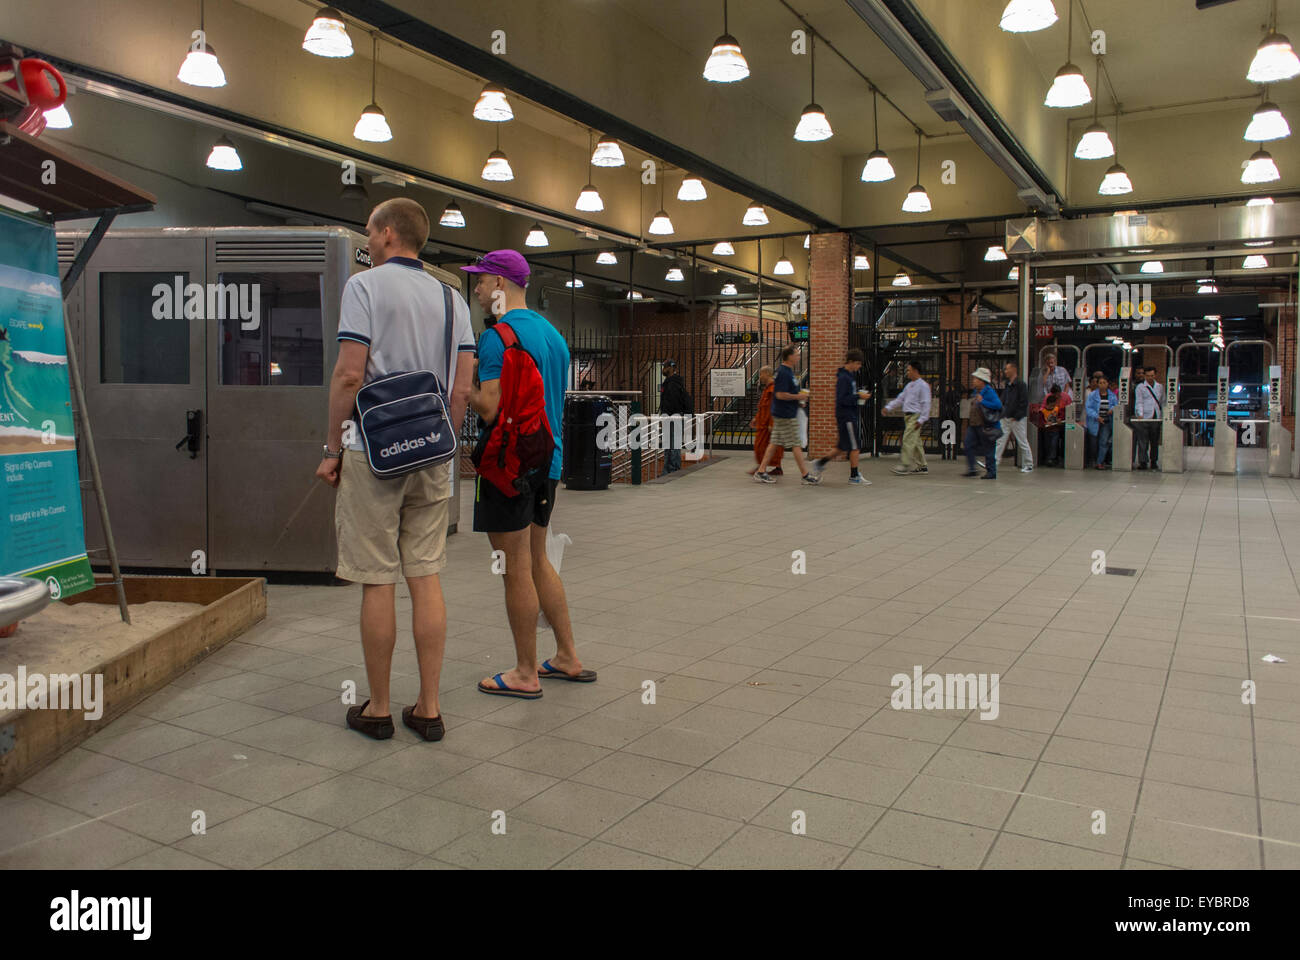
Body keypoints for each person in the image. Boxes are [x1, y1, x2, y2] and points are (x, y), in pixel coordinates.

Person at [316, 198, 476, 742]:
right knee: (424, 574)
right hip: (432, 450)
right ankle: (428, 708)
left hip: (373, 450)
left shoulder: (363, 287)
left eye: (369, 231)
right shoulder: (454, 300)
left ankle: (379, 707)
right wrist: (445, 446)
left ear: (387, 234)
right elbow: (460, 388)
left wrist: (333, 446)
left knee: (376, 577)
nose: (367, 240)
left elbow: (348, 375)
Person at [464, 250, 595, 699]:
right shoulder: (553, 336)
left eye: (480, 281)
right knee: (537, 559)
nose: (477, 289)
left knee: (513, 567)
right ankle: (567, 656)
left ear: (500, 284)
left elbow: (491, 406)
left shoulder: (497, 336)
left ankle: (524, 671)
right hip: (548, 463)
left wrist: (462, 388)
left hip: (508, 467)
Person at [753, 345, 819, 484]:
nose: (798, 357)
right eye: (796, 354)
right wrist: (798, 397)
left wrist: (799, 400)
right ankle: (805, 475)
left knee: (774, 443)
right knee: (796, 444)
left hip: (784, 413)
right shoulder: (783, 372)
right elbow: (780, 394)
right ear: (789, 356)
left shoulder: (787, 371)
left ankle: (761, 471)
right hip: (785, 415)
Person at [810, 349, 872, 484]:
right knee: (855, 446)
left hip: (846, 415)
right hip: (847, 416)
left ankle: (820, 463)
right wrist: (858, 396)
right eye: (858, 364)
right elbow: (842, 399)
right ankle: (854, 476)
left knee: (842, 446)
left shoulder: (849, 376)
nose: (859, 367)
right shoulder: (844, 378)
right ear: (850, 362)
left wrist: (857, 396)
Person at [883, 360, 932, 475]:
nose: (907, 372)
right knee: (915, 442)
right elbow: (900, 399)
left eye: (909, 370)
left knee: (907, 439)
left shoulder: (923, 386)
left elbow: (926, 403)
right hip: (908, 417)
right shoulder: (909, 386)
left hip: (916, 416)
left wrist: (921, 419)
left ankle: (904, 465)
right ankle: (922, 465)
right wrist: (889, 407)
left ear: (915, 371)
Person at [994, 360, 1033, 474]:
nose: (1005, 371)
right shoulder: (1009, 384)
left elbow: (1024, 402)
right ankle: (994, 462)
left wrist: (1017, 416)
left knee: (1022, 441)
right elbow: (1005, 400)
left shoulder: (1020, 385)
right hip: (1007, 417)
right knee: (1000, 440)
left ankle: (1029, 464)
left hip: (1017, 418)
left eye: (1007, 369)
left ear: (1013, 370)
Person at [963, 367, 1002, 479]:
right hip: (974, 424)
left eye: (975, 379)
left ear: (981, 380)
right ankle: (972, 468)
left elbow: (998, 405)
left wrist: (983, 401)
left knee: (989, 449)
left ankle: (991, 472)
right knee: (968, 444)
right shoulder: (976, 391)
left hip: (985, 425)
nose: (973, 380)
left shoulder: (989, 392)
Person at [659, 359, 693, 473]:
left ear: (671, 368)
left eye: (665, 366)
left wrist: (666, 415)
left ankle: (673, 469)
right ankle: (668, 469)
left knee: (673, 444)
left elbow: (672, 402)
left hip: (674, 416)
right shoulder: (670, 382)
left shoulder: (672, 383)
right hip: (671, 416)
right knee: (670, 444)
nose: (663, 369)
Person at [750, 365, 785, 475]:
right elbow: (763, 406)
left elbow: (775, 407)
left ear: (767, 374)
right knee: (762, 446)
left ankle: (765, 468)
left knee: (770, 447)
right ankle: (765, 467)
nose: (760, 376)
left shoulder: (773, 389)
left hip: (769, 424)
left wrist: (772, 423)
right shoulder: (767, 388)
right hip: (762, 423)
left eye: (761, 374)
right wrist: (756, 418)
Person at [1133, 365, 1164, 470]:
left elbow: (1162, 401)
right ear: (1145, 376)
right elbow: (1139, 401)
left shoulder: (1160, 386)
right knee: (1143, 440)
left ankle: (1154, 461)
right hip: (1145, 416)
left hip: (1156, 416)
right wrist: (1140, 414)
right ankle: (1143, 461)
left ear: (1155, 375)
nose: (1150, 377)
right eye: (1148, 375)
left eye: (1152, 375)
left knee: (1154, 441)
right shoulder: (1140, 387)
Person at [1087, 374, 1119, 470]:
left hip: (1106, 422)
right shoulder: (1092, 395)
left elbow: (1116, 405)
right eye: (1100, 383)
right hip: (1095, 422)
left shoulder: (1112, 395)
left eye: (1104, 383)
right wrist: (1097, 417)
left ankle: (1100, 462)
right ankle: (1092, 460)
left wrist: (1112, 409)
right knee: (1093, 443)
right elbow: (1089, 408)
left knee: (1103, 442)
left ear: (1107, 384)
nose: (1102, 385)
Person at [1039, 384, 1068, 467]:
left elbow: (1060, 416)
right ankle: (1048, 458)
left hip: (1055, 430)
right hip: (1047, 430)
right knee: (1047, 444)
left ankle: (1052, 458)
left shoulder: (1057, 409)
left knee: (1054, 444)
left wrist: (1059, 420)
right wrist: (1045, 423)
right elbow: (1041, 420)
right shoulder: (1043, 411)